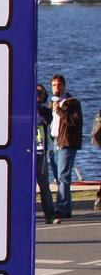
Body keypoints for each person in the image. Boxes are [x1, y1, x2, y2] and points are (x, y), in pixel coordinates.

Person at [51, 74, 83, 222]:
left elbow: (74, 121)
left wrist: (59, 111)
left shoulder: (72, 103)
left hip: (66, 143)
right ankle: (63, 206)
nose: (56, 88)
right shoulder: (52, 103)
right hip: (54, 142)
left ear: (64, 86)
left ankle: (62, 208)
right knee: (58, 177)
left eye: (59, 85)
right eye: (54, 85)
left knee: (64, 176)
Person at [38, 83, 57, 225]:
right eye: (36, 93)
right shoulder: (22, 110)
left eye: (41, 94)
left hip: (41, 153)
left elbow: (46, 121)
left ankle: (49, 215)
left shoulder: (45, 111)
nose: (38, 96)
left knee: (44, 186)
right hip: (26, 153)